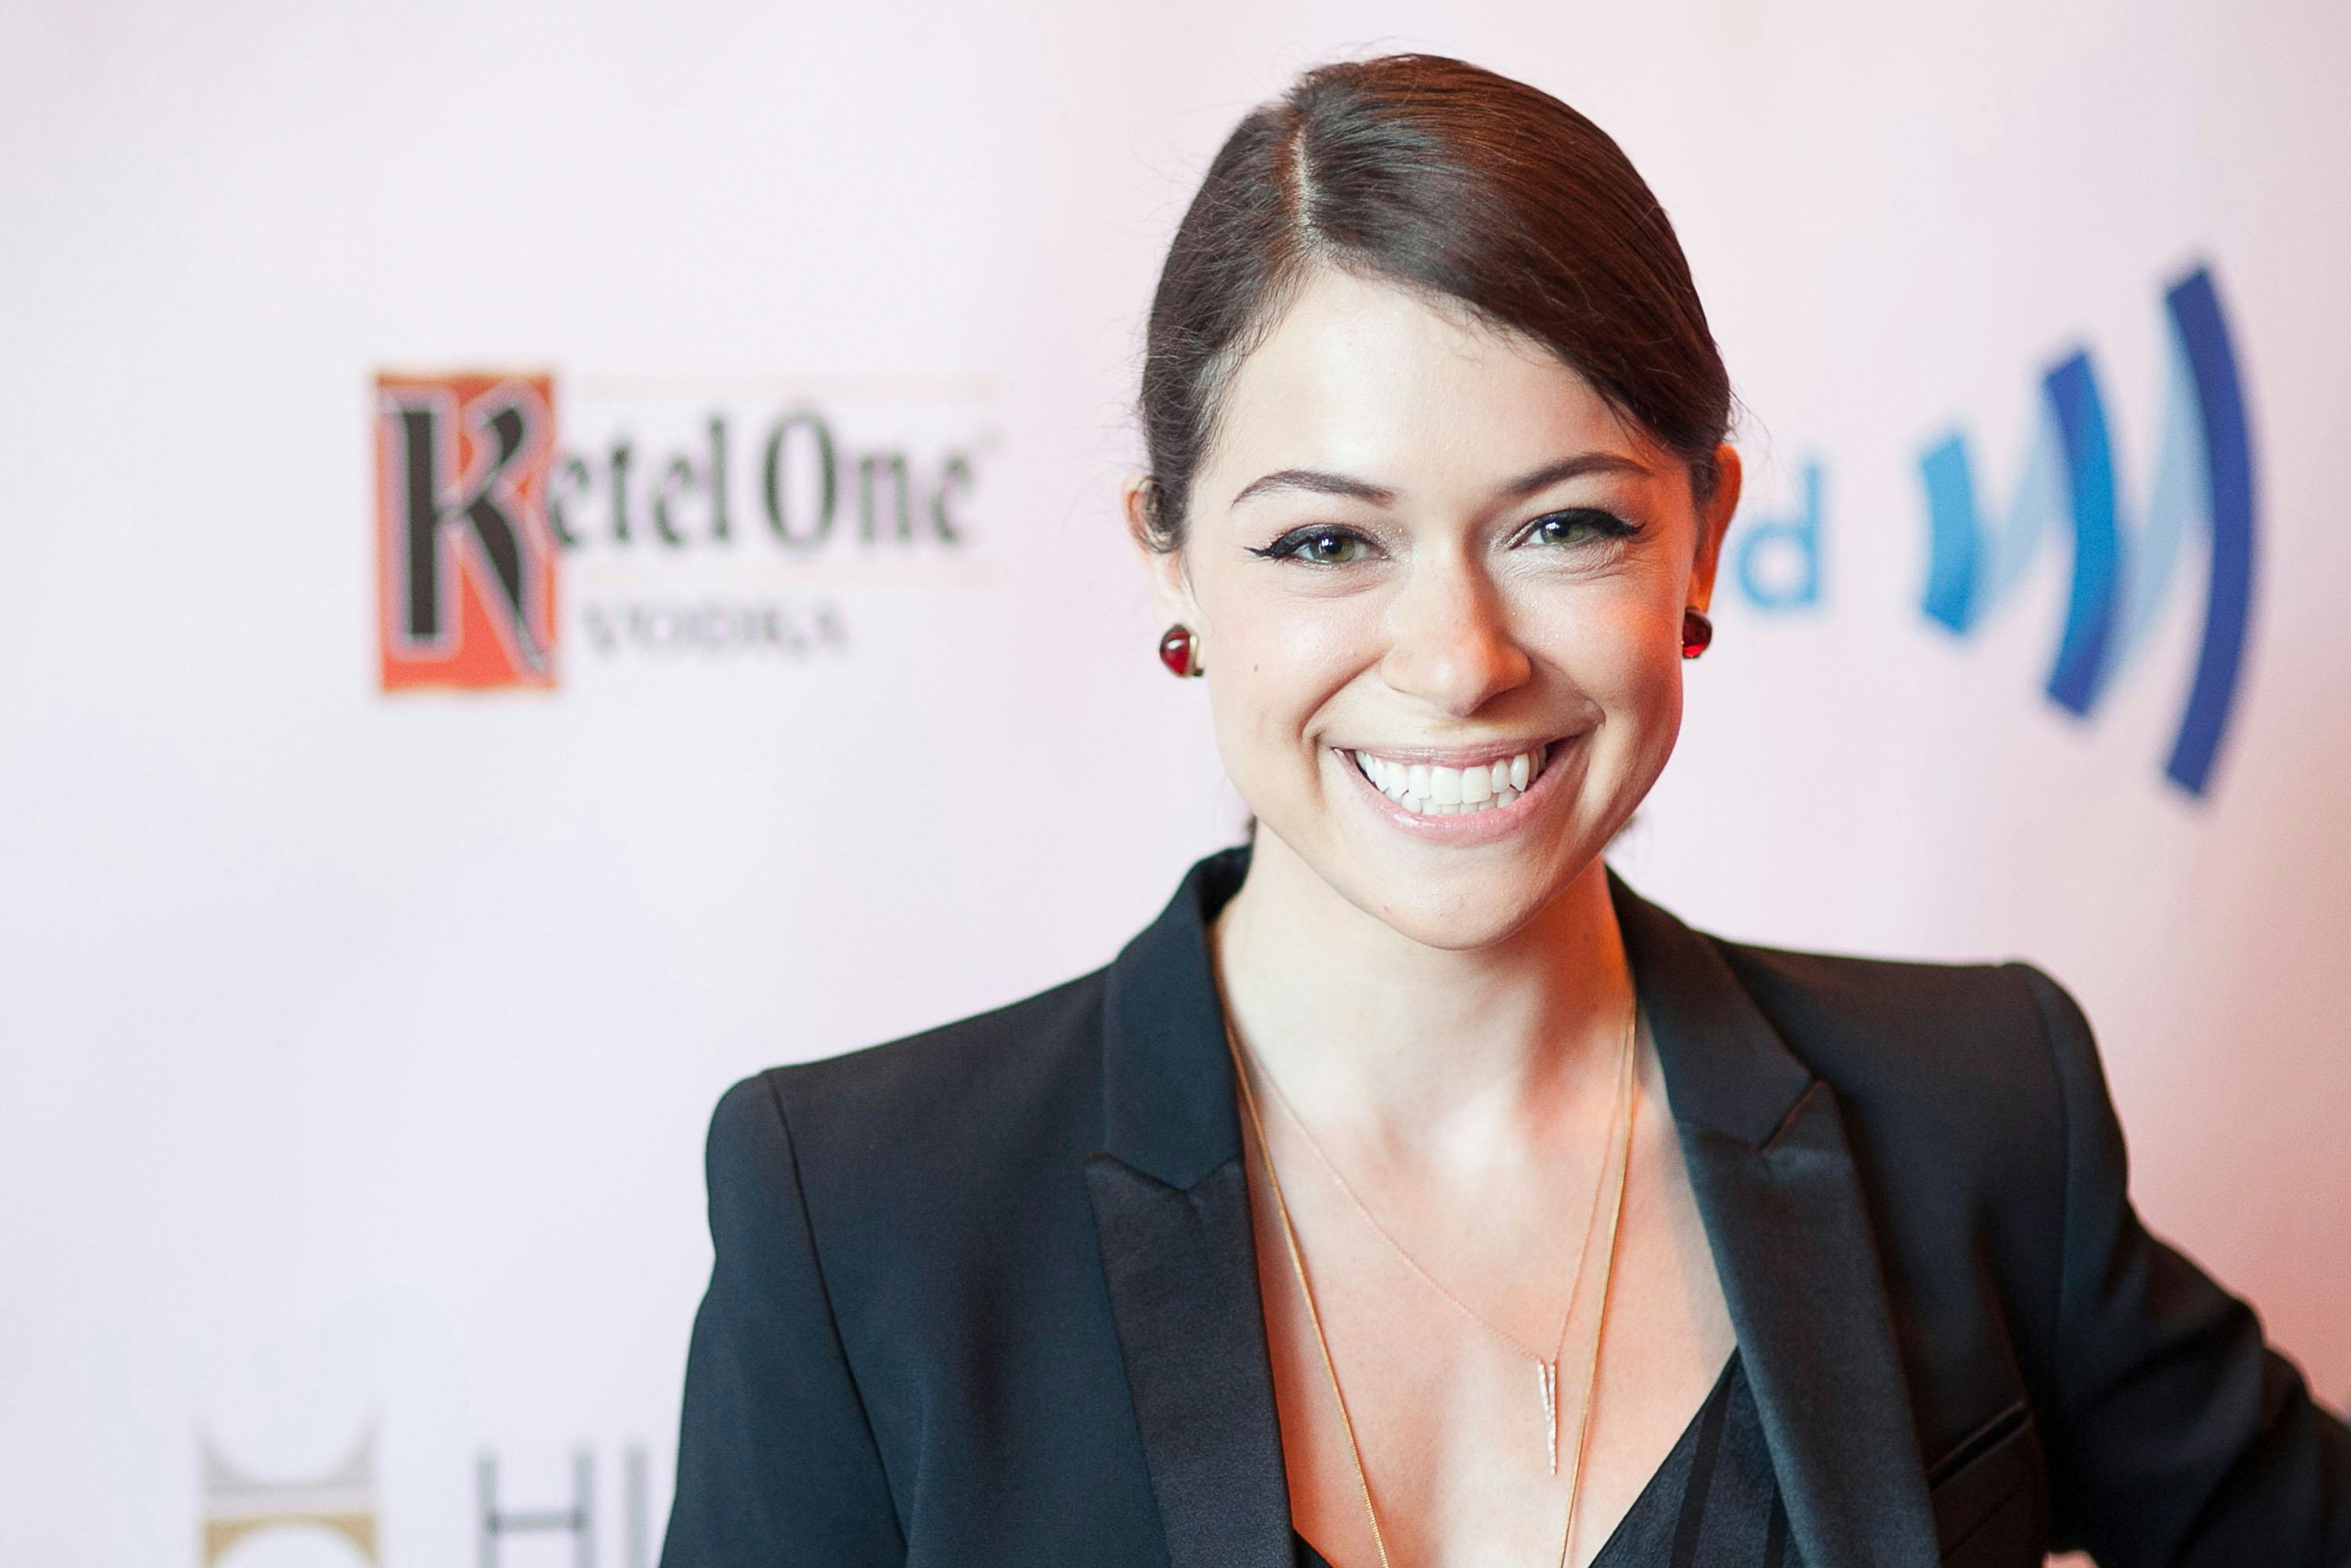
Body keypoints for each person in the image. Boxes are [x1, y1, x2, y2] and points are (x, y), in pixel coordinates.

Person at [656, 53, 2351, 1568]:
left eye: (1564, 527)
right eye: (1327, 541)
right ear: (1170, 560)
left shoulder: (1976, 1116)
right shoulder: (864, 1215)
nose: (1460, 660)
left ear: (1704, 534)